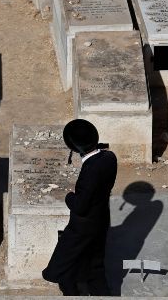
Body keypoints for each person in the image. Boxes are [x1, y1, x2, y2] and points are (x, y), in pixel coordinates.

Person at [42, 119, 118, 296]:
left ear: (75, 148)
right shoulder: (109, 157)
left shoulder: (90, 169)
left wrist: (68, 195)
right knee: (96, 267)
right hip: (101, 221)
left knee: (62, 266)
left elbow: (80, 206)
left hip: (82, 228)